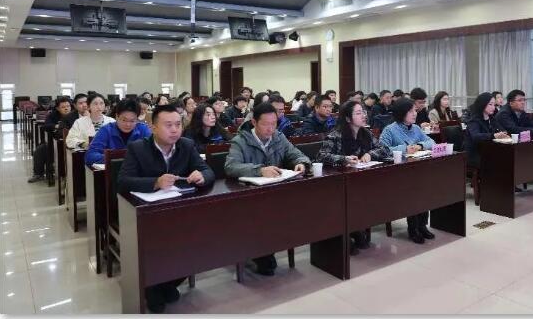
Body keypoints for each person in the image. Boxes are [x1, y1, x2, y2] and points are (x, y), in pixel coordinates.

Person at [118, 104, 214, 313]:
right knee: (157, 246)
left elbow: (208, 171)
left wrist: (202, 176)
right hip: (149, 216)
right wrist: (155, 182)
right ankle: (154, 287)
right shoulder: (138, 148)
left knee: (197, 240)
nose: (174, 130)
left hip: (180, 213)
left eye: (178, 124)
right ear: (153, 127)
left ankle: (169, 282)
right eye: (168, 125)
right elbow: (123, 181)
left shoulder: (186, 145)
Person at [224, 102, 311, 276]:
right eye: (265, 124)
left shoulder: (279, 137)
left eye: (274, 124)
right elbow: (231, 166)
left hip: (275, 196)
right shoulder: (240, 141)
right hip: (248, 198)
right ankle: (259, 252)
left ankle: (267, 250)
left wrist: (301, 163)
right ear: (254, 122)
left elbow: (296, 154)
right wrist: (260, 170)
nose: (270, 128)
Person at [316, 100, 391, 254]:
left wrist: (370, 154)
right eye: (358, 113)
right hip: (338, 184)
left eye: (363, 112)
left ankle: (356, 228)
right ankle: (345, 233)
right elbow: (320, 156)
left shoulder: (366, 133)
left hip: (360, 181)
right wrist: (343, 159)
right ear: (348, 118)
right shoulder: (335, 135)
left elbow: (384, 149)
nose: (363, 115)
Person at [379, 98, 436, 244]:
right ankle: (413, 228)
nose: (415, 114)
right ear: (401, 113)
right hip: (396, 174)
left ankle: (422, 225)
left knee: (425, 187)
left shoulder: (416, 128)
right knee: (414, 189)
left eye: (415, 111)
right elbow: (381, 150)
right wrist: (404, 149)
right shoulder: (390, 130)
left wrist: (420, 145)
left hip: (415, 171)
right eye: (411, 111)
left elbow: (432, 142)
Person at [85, 98, 152, 166]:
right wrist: (115, 158)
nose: (128, 124)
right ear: (116, 116)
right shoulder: (106, 130)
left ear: (137, 119)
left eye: (132, 121)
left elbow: (153, 152)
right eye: (124, 120)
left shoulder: (143, 129)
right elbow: (90, 156)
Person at [28, 97, 71, 183]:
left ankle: (65, 175)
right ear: (58, 108)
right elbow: (45, 126)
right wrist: (56, 126)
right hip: (54, 142)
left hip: (70, 142)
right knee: (39, 150)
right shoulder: (53, 115)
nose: (66, 108)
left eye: (68, 106)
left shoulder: (74, 115)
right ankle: (38, 174)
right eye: (63, 107)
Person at [463, 93, 509, 168]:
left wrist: (503, 134)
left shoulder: (492, 119)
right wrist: (494, 135)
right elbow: (476, 136)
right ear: (482, 104)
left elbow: (502, 130)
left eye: (494, 105)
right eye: (490, 104)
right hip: (474, 153)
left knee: (506, 158)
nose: (493, 107)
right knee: (497, 161)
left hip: (487, 150)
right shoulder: (474, 120)